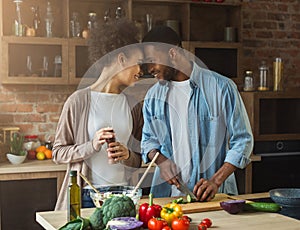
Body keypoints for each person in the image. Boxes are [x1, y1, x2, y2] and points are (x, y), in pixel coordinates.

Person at [141, 26, 253, 201]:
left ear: (172, 54)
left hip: (215, 197)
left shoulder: (222, 87)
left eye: (152, 60)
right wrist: (161, 161)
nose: (149, 69)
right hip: (168, 199)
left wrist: (215, 181)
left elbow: (243, 141)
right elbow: (148, 141)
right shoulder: (153, 96)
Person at [52, 18, 144, 210]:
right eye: (138, 63)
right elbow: (58, 153)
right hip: (87, 196)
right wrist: (91, 146)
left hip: (123, 197)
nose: (140, 71)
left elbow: (138, 159)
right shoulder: (78, 101)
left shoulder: (134, 105)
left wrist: (127, 155)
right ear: (121, 59)